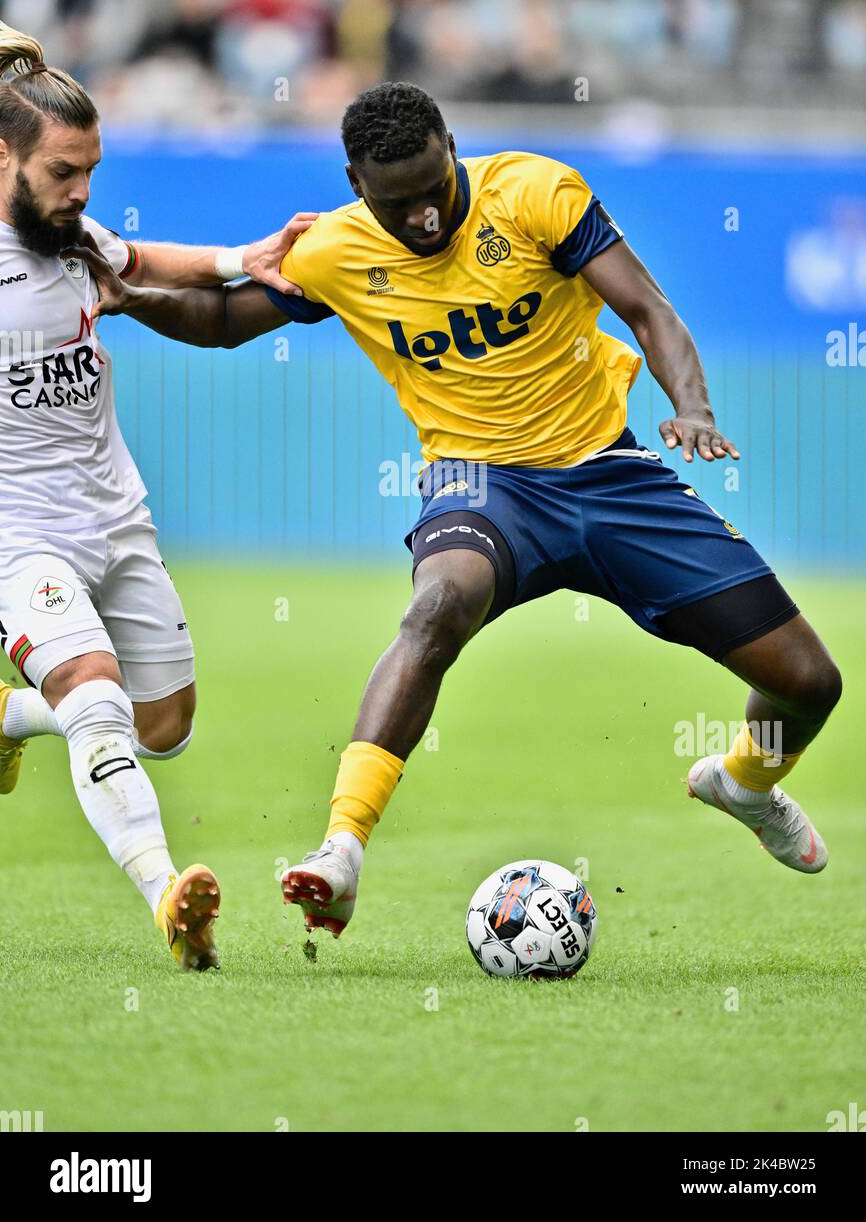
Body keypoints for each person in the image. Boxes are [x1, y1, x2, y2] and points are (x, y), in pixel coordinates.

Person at [77, 81, 842, 942]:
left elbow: (646, 309)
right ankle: (342, 852)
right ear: (356, 183)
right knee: (439, 602)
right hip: (483, 485)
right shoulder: (336, 250)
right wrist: (126, 295)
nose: (424, 222)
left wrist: (693, 409)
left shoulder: (535, 194)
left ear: (451, 145)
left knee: (808, 681)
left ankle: (743, 782)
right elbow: (222, 321)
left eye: (434, 190)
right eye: (396, 204)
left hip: (610, 472)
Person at [0, 21, 315, 969]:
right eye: (63, 170)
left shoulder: (60, 230)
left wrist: (245, 258)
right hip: (20, 534)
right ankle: (164, 892)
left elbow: (135, 259)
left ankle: (11, 717)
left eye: (90, 167)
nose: (82, 189)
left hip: (115, 514)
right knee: (92, 689)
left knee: (163, 724)